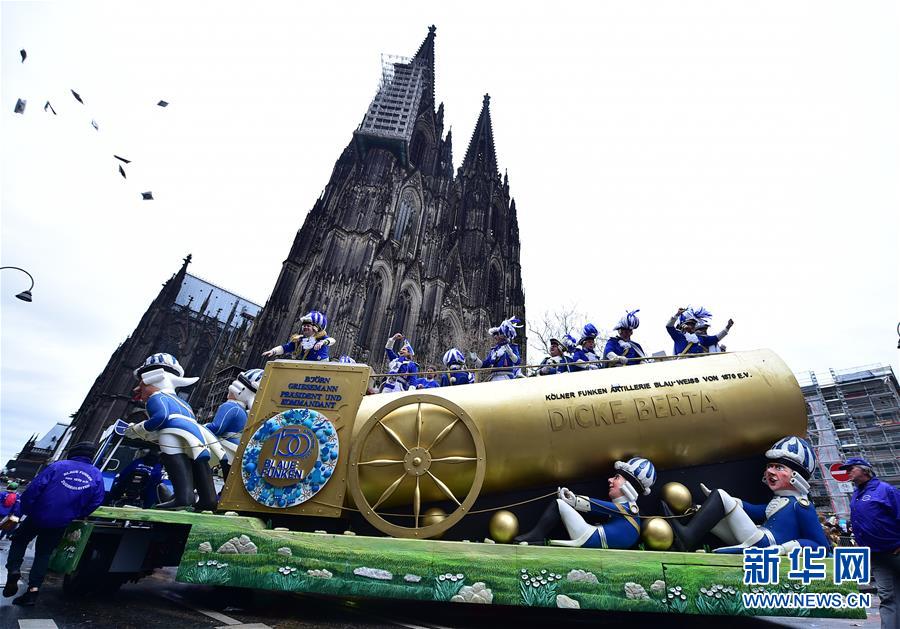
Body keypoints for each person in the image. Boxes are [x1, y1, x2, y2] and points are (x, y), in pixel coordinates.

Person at [664, 436, 829, 554]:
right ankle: (682, 540)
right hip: (756, 538)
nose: (770, 471)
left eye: (779, 468)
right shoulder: (778, 501)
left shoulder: (801, 506)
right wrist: (718, 504)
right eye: (770, 466)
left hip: (765, 544)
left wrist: (785, 548)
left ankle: (686, 537)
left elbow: (821, 545)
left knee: (721, 495)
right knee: (710, 515)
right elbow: (756, 511)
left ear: (796, 476)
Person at [3, 441, 104, 606]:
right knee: (44, 554)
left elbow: (34, 489)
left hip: (37, 515)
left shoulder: (58, 466)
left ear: (73, 452)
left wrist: (24, 510)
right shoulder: (96, 474)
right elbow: (96, 500)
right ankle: (33, 591)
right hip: (61, 521)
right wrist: (77, 514)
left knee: (19, 541)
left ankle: (14, 569)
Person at [125, 353, 224, 511]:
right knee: (197, 461)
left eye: (141, 385)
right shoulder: (184, 403)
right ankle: (208, 499)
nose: (137, 389)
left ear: (153, 379)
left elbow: (161, 416)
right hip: (196, 434)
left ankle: (183, 497)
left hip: (172, 433)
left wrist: (138, 429)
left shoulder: (157, 397)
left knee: (174, 459)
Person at [514, 457, 656, 549]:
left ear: (628, 486)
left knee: (559, 504)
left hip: (591, 537)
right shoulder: (627, 510)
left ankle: (536, 538)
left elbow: (599, 507)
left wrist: (574, 500)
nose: (610, 480)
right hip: (596, 537)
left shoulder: (629, 509)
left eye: (616, 478)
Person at [840, 456, 900, 629]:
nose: (847, 472)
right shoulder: (856, 494)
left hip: (896, 552)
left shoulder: (886, 490)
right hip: (876, 556)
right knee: (888, 597)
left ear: (864, 470)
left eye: (851, 469)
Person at [204, 368, 264, 480]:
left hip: (226, 447)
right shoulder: (244, 412)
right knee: (229, 478)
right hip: (237, 448)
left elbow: (217, 428)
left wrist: (202, 427)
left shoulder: (230, 406)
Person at [262, 310, 334, 360]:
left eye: (308, 326)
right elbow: (285, 348)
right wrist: (273, 351)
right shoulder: (299, 340)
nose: (305, 327)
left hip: (320, 370)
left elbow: (332, 340)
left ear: (316, 328)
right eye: (304, 325)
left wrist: (323, 342)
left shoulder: (321, 338)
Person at [470, 316, 522, 382]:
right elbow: (485, 365)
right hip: (494, 377)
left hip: (507, 377)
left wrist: (511, 354)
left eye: (497, 334)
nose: (495, 336)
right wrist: (475, 359)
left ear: (503, 334)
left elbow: (517, 361)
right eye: (494, 334)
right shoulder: (493, 350)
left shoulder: (512, 347)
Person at [665, 307, 733, 356]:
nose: (691, 326)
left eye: (693, 325)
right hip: (682, 365)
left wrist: (727, 327)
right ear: (682, 326)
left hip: (699, 365)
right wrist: (677, 314)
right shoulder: (678, 336)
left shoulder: (701, 338)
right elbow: (669, 326)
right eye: (689, 324)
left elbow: (716, 338)